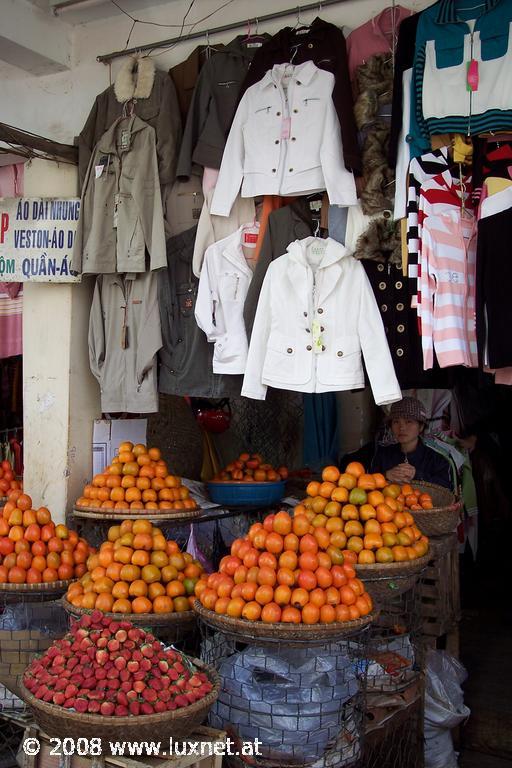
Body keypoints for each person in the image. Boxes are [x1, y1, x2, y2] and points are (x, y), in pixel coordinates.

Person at [368, 396, 453, 489]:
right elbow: (366, 481)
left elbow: (447, 488)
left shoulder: (437, 459)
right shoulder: (383, 454)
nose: (402, 428)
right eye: (396, 422)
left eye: (409, 421)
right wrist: (385, 475)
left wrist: (417, 475)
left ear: (421, 427)